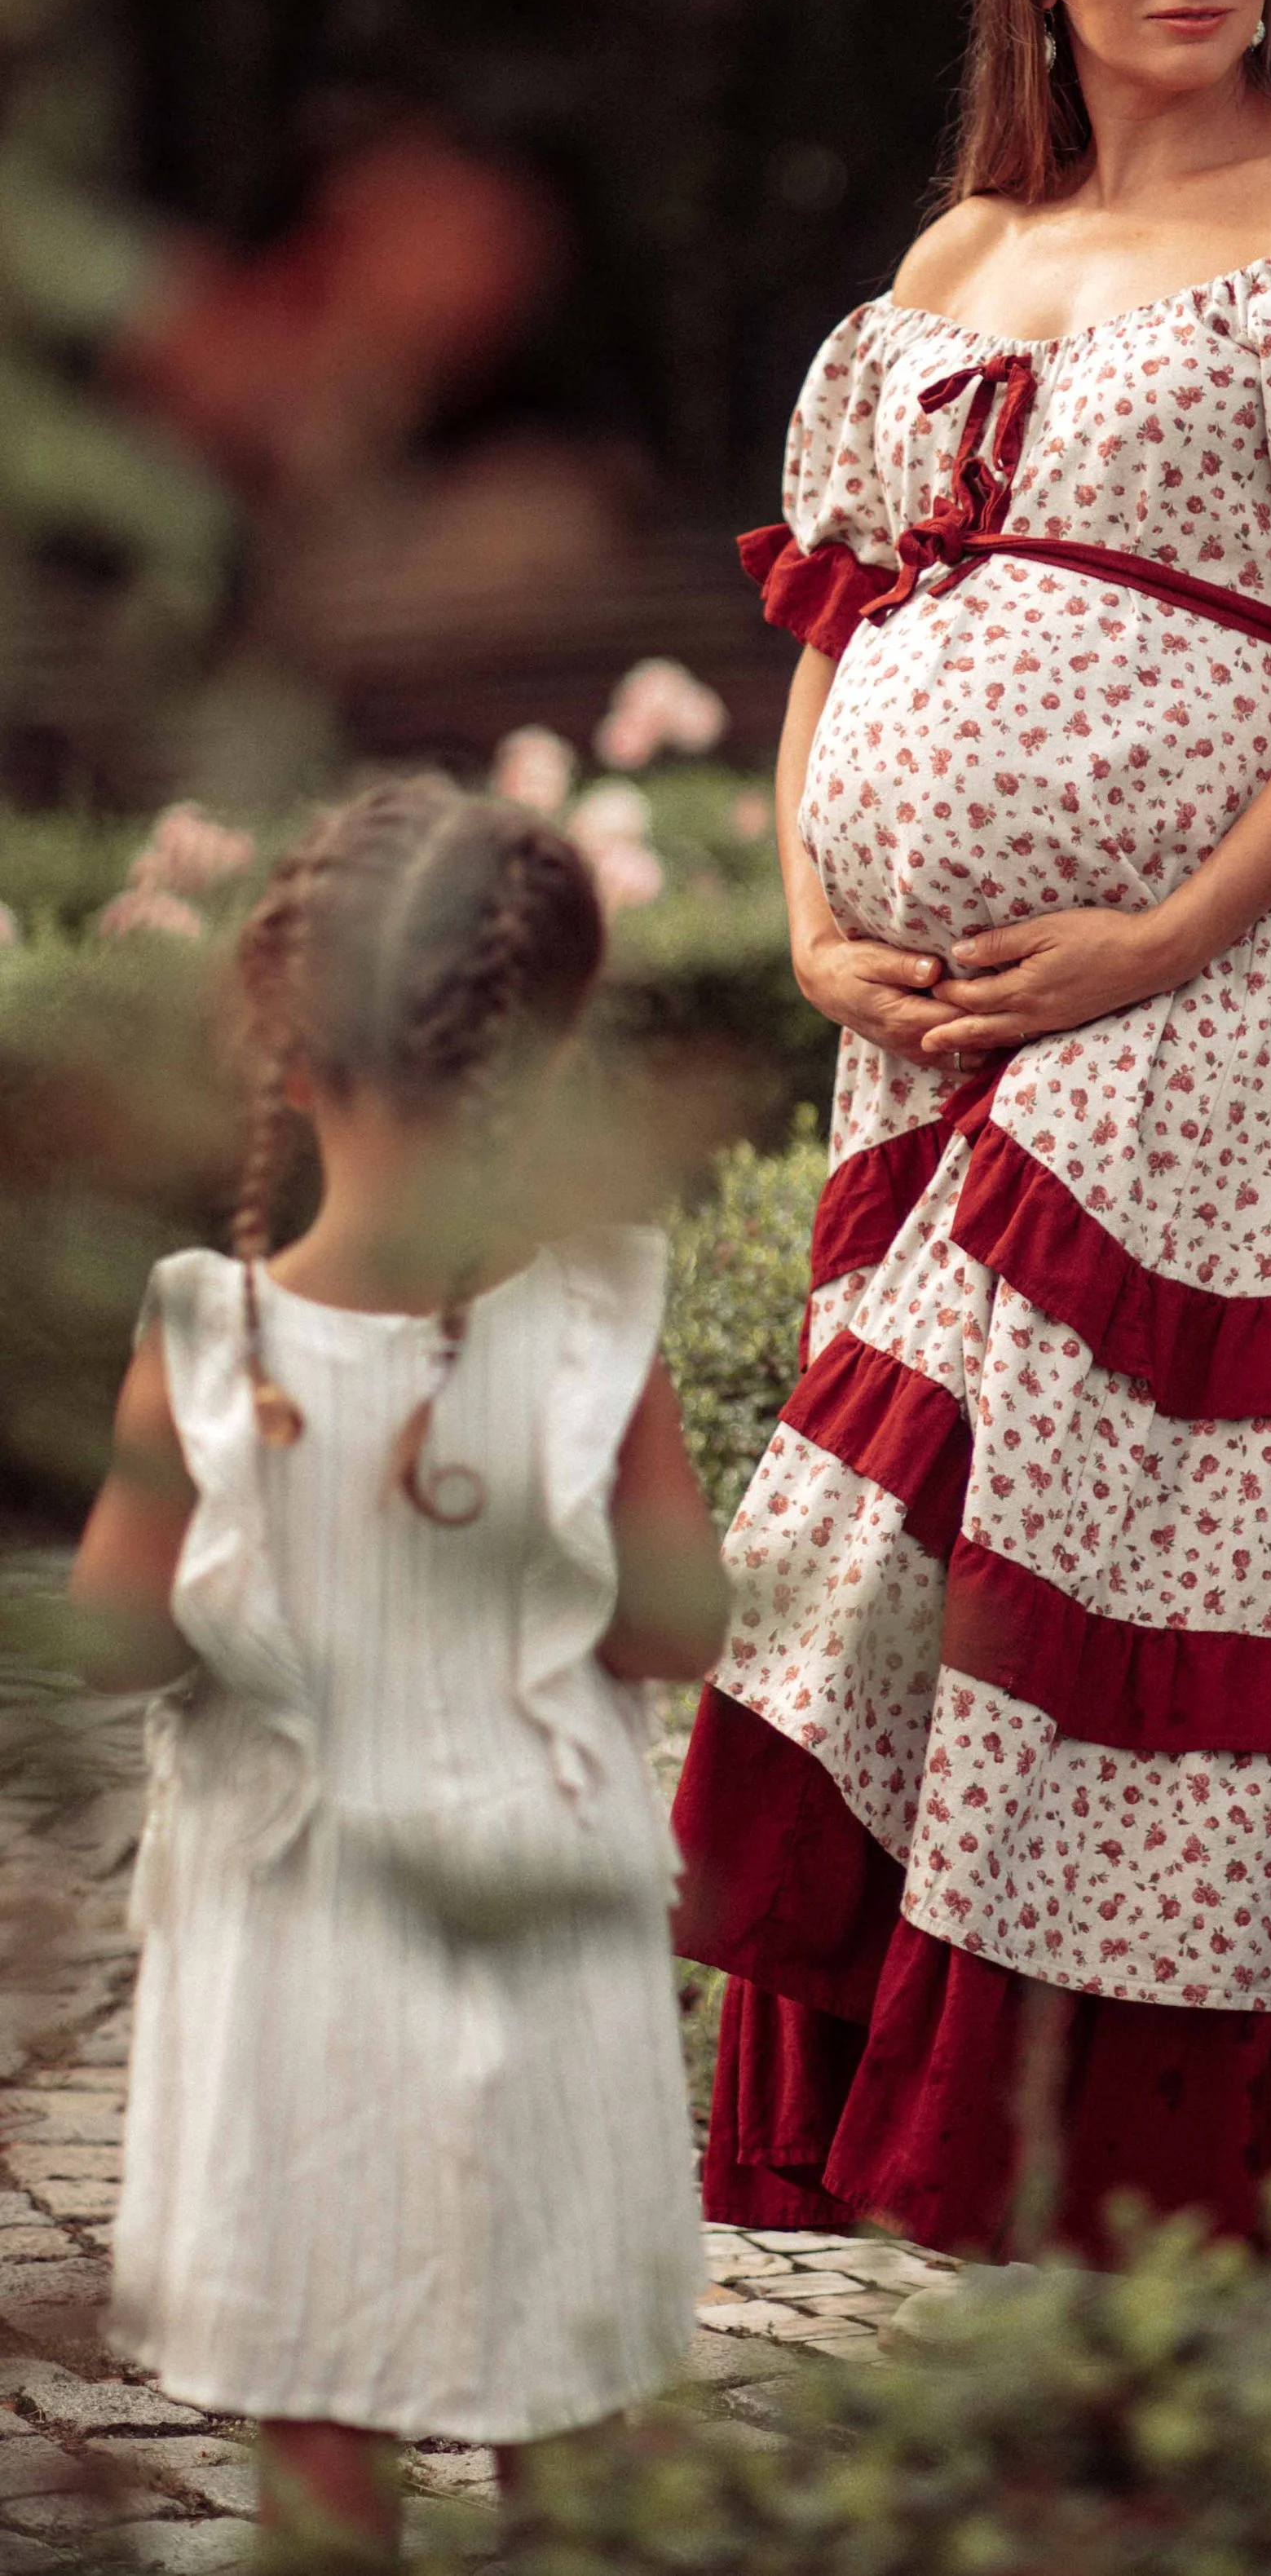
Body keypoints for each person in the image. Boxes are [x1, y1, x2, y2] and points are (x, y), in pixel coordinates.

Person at [671, 0, 1271, 2257]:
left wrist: (1170, 922)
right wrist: (814, 921)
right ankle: (876, 2096)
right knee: (898, 1519)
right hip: (922, 1017)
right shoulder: (952, 263)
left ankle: (1131, 2151)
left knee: (1117, 1516)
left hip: (1213, 993)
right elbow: (836, 628)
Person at [68, 774, 727, 2556]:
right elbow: (678, 1621)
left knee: (322, 2413)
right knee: (571, 2404)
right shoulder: (600, 1311)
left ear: (287, 1053)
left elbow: (118, 1638)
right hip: (546, 1915)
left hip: (290, 1942)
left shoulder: (205, 1335)